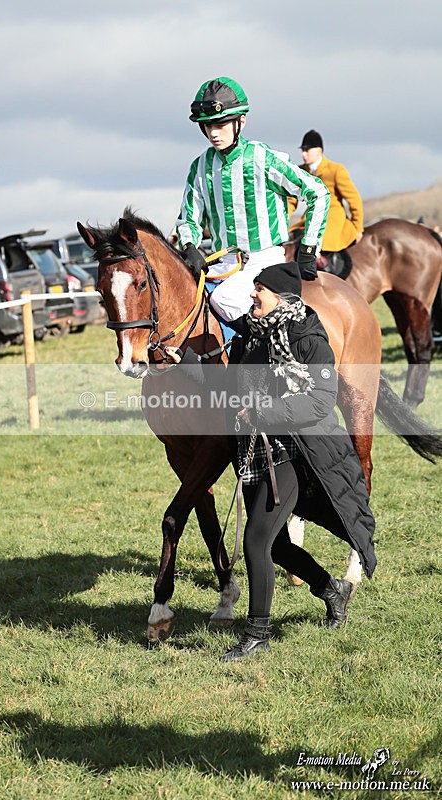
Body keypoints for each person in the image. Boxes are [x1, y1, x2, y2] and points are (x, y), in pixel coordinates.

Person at [165, 261, 376, 662]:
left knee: (255, 540)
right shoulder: (254, 336)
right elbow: (231, 389)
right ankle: (333, 589)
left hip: (297, 452)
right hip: (254, 452)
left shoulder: (308, 338)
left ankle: (256, 634)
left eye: (258, 290)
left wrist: (263, 413)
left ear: (281, 295)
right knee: (276, 545)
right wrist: (186, 366)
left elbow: (318, 402)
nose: (251, 296)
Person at [175, 77, 330, 331]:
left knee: (222, 298)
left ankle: (264, 355)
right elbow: (188, 218)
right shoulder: (200, 166)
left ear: (241, 122)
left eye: (221, 124)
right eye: (207, 126)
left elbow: (318, 193)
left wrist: (309, 248)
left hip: (265, 262)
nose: (213, 133)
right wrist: (189, 245)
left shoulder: (263, 159)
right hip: (225, 265)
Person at [288, 130, 363, 277]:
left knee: (318, 239)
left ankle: (327, 269)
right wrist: (283, 220)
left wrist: (358, 226)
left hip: (332, 217)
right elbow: (291, 200)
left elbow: (353, 198)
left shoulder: (336, 170)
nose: (304, 154)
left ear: (319, 151)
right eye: (303, 150)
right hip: (309, 217)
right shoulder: (300, 171)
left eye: (307, 150)